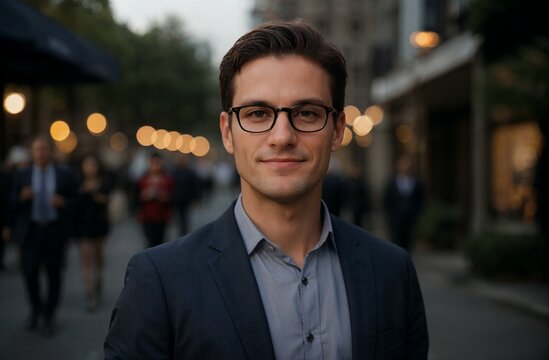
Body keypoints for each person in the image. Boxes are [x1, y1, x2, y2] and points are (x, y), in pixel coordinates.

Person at [105, 21, 429, 359]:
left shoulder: (393, 272)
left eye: (306, 113)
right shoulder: (158, 281)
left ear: (336, 131)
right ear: (228, 133)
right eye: (258, 113)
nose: (282, 136)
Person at [10, 136, 76, 336]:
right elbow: (11, 201)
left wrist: (63, 202)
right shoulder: (23, 174)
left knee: (54, 274)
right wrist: (21, 198)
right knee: (30, 273)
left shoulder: (64, 174)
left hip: (55, 230)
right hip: (31, 231)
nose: (41, 153)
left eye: (44, 149)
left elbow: (76, 200)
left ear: (50, 151)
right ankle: (35, 309)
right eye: (37, 149)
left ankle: (49, 315)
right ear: (32, 152)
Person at [73, 155, 111, 311]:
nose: (90, 168)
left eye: (92, 165)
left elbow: (107, 201)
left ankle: (98, 280)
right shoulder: (77, 183)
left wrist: (95, 194)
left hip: (98, 224)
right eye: (87, 165)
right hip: (82, 226)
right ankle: (90, 293)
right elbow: (72, 203)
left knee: (98, 256)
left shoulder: (104, 182)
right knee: (86, 259)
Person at [384, 154, 425, 252]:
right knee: (396, 241)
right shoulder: (391, 182)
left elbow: (421, 199)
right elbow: (386, 200)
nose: (405, 169)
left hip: (410, 219)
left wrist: (416, 212)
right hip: (395, 219)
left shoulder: (417, 182)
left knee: (409, 241)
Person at [136, 152, 174, 247]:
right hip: (147, 216)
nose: (155, 166)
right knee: (149, 241)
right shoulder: (143, 179)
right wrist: (145, 196)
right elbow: (136, 197)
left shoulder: (167, 179)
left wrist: (162, 196)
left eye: (158, 163)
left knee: (160, 241)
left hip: (162, 215)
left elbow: (172, 196)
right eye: (153, 163)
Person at [171, 153, 200, 236]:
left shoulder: (190, 172)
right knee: (178, 218)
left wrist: (196, 198)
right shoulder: (173, 172)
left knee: (185, 217)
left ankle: (184, 232)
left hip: (186, 199)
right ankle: (181, 231)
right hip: (176, 199)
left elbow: (195, 185)